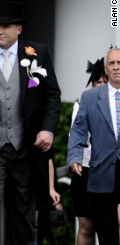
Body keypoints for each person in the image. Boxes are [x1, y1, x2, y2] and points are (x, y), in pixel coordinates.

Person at [0, 0, 62, 245]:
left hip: (26, 147)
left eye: (6, 26)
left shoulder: (37, 54)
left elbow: (51, 95)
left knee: (23, 214)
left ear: (19, 29)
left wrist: (47, 130)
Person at [68, 47, 120, 245]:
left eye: (119, 63)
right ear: (106, 69)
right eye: (112, 64)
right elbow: (78, 131)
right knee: (99, 228)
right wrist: (74, 158)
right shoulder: (89, 99)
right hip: (98, 172)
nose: (116, 68)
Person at [69, 57, 107, 245]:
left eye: (104, 82)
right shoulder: (81, 103)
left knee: (111, 225)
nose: (100, 85)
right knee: (86, 226)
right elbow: (77, 135)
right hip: (85, 170)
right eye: (97, 82)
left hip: (110, 171)